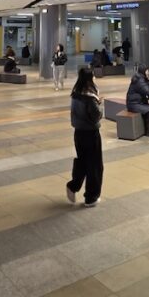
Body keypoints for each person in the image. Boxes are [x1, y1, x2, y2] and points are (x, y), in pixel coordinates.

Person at [66, 67, 103, 207]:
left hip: (78, 133)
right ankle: (91, 197)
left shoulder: (75, 93)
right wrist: (100, 104)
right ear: (89, 78)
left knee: (82, 161)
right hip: (91, 133)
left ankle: (73, 186)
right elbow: (96, 116)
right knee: (95, 165)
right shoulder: (90, 97)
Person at [126, 64, 149, 137]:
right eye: (147, 71)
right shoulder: (139, 81)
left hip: (137, 102)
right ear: (144, 71)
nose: (148, 72)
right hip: (134, 104)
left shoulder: (139, 78)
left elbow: (145, 86)